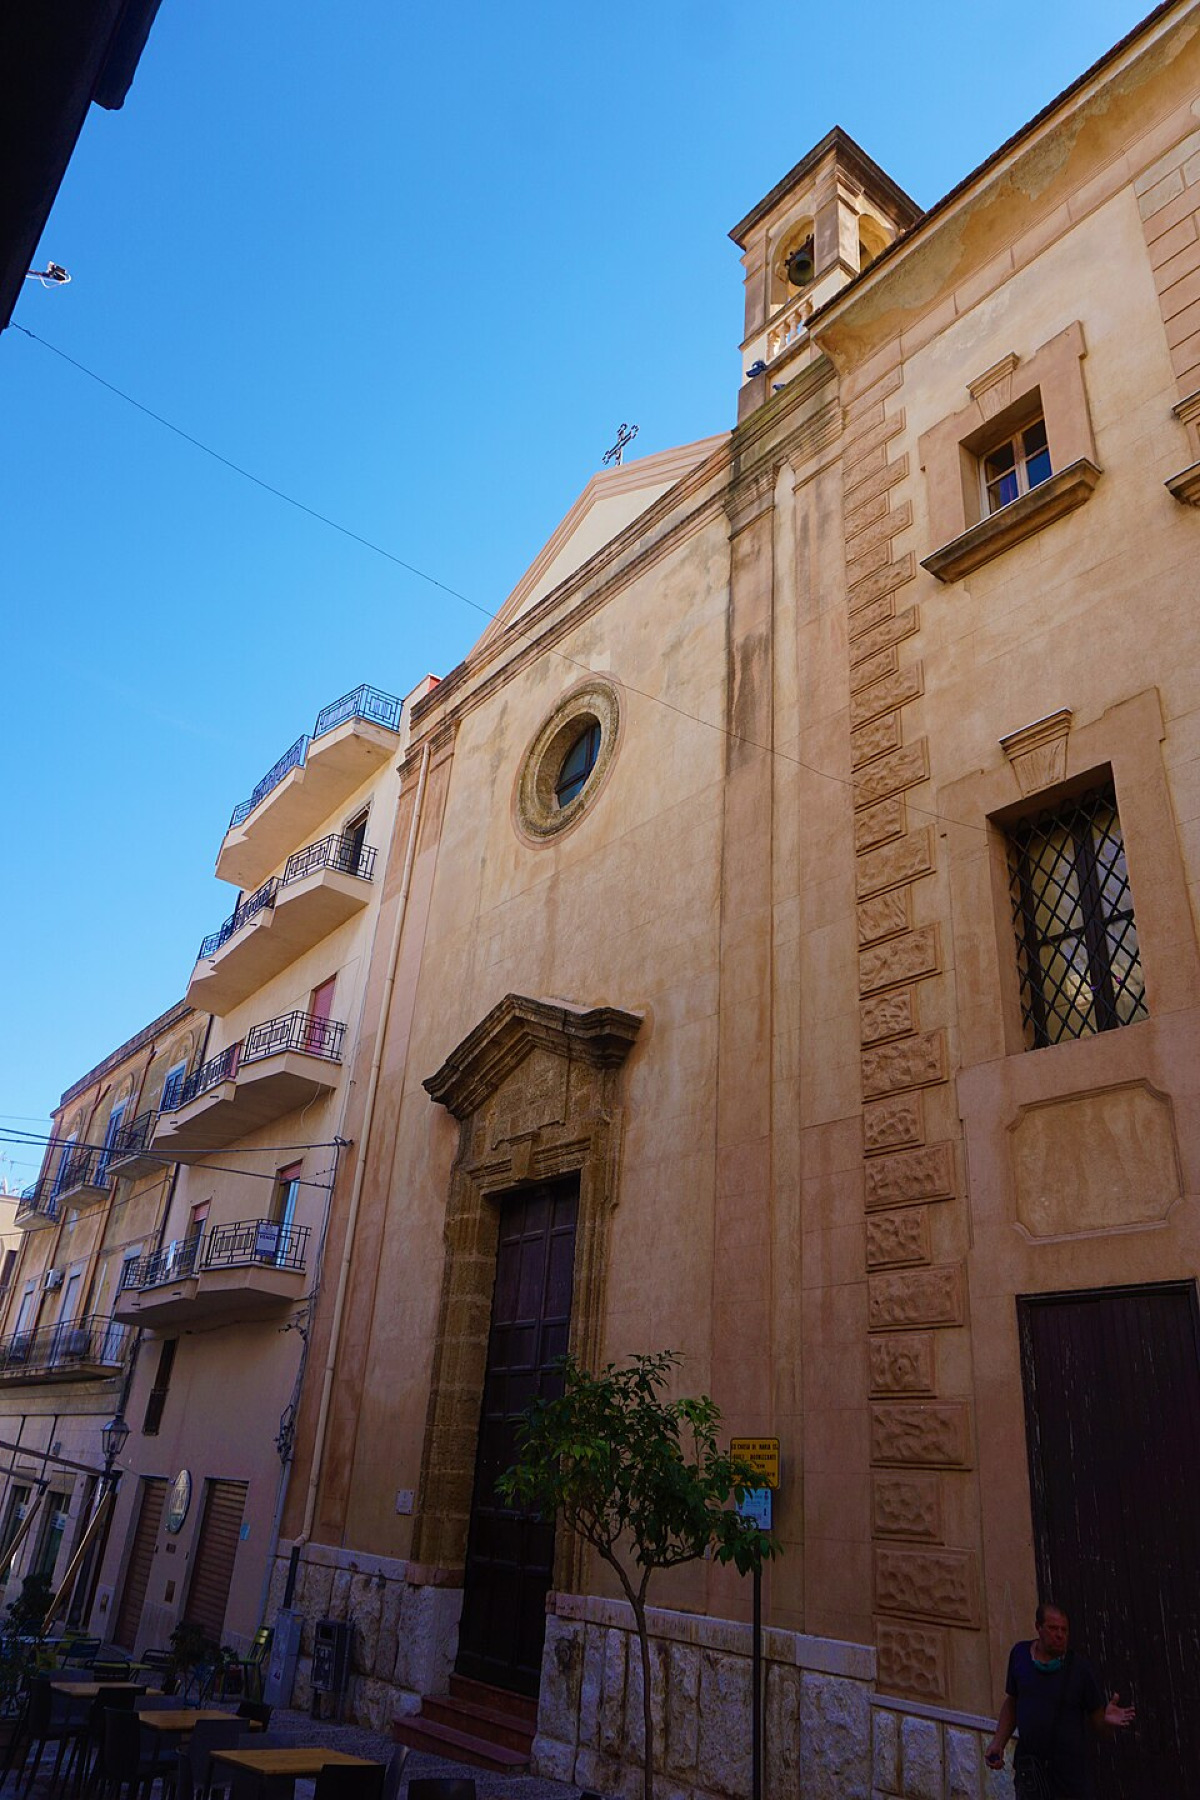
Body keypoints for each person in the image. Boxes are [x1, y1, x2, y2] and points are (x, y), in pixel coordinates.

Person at [985, 1601, 1135, 1798]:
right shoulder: (1020, 1655)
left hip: (1069, 1777)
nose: (1059, 1635)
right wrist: (998, 1742)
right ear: (1038, 1627)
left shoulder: (1080, 1670)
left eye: (1064, 1630)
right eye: (1053, 1628)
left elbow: (1100, 1725)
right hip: (1031, 1772)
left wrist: (1108, 1722)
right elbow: (1013, 1702)